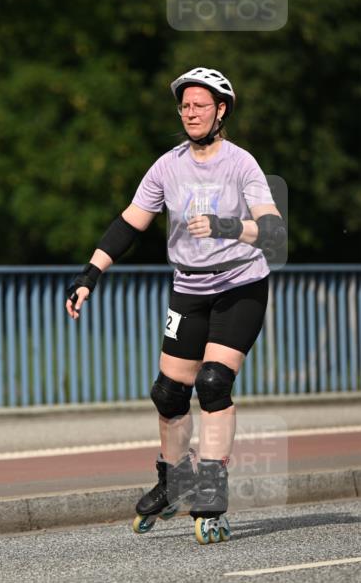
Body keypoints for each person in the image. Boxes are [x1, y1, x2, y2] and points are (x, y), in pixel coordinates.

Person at [65, 67, 286, 545]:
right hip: (188, 287)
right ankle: (174, 481)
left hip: (240, 286)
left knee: (213, 383)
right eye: (184, 106)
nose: (190, 113)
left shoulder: (241, 164)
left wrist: (228, 226)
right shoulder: (167, 166)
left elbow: (273, 231)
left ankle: (210, 497)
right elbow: (129, 223)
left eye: (200, 105)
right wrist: (89, 274)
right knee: (168, 394)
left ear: (221, 110)